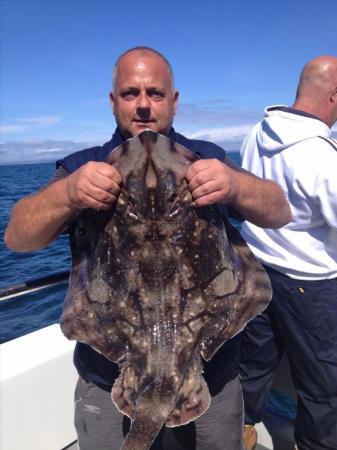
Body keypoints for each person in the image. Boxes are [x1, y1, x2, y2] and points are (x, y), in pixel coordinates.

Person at [4, 46, 290, 450]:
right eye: (130, 93)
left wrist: (237, 184)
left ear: (174, 101)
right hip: (110, 377)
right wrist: (69, 193)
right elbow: (17, 237)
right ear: (113, 100)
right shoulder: (81, 166)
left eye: (155, 93)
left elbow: (279, 211)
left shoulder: (208, 158)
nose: (142, 105)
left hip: (211, 371)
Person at [238, 55, 337, 450]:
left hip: (257, 270)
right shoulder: (322, 156)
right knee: (323, 386)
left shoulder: (255, 133)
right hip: (309, 288)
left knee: (251, 367)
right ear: (334, 95)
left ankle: (238, 436)